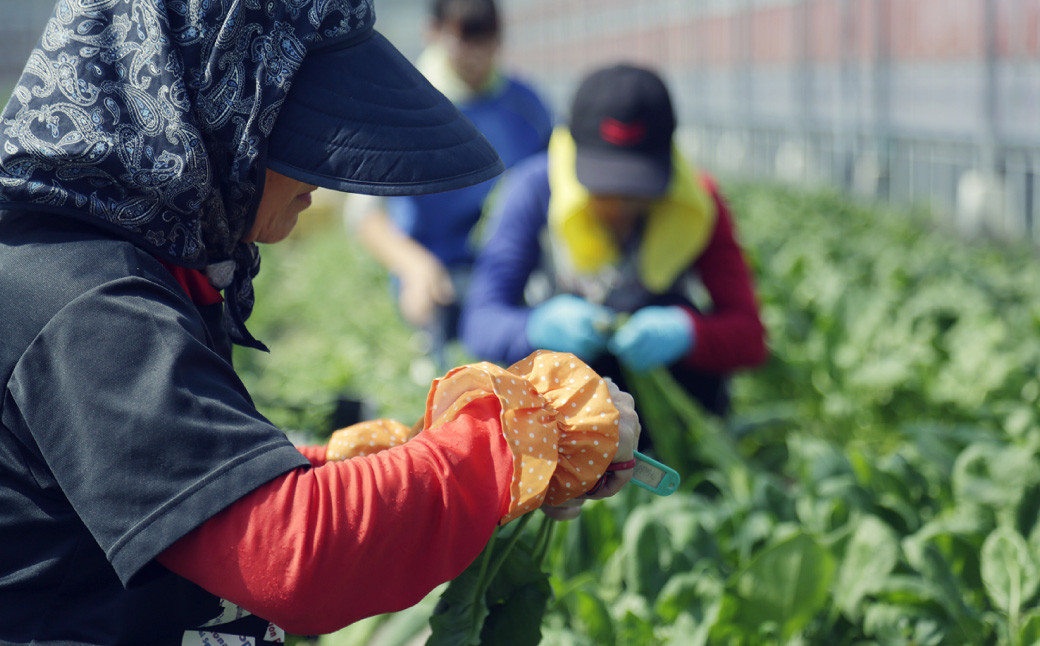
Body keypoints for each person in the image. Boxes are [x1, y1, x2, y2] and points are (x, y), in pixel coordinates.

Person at [0, 3, 640, 644]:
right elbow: (287, 553)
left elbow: (199, 489)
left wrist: (380, 464)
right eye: (302, 124)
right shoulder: (88, 304)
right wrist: (523, 433)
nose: (323, 173)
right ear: (203, 104)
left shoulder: (120, 264)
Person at [460, 63, 768, 429]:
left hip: (664, 403)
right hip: (556, 412)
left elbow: (750, 335)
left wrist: (689, 333)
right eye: (604, 189)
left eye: (637, 191)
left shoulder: (696, 202)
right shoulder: (533, 190)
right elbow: (480, 323)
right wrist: (536, 328)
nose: (620, 207)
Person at [350, 0, 553, 368]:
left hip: (509, 270)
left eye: (486, 42)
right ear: (433, 33)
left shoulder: (526, 106)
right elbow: (365, 215)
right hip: (437, 273)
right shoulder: (401, 106)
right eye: (463, 42)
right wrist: (413, 267)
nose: (476, 57)